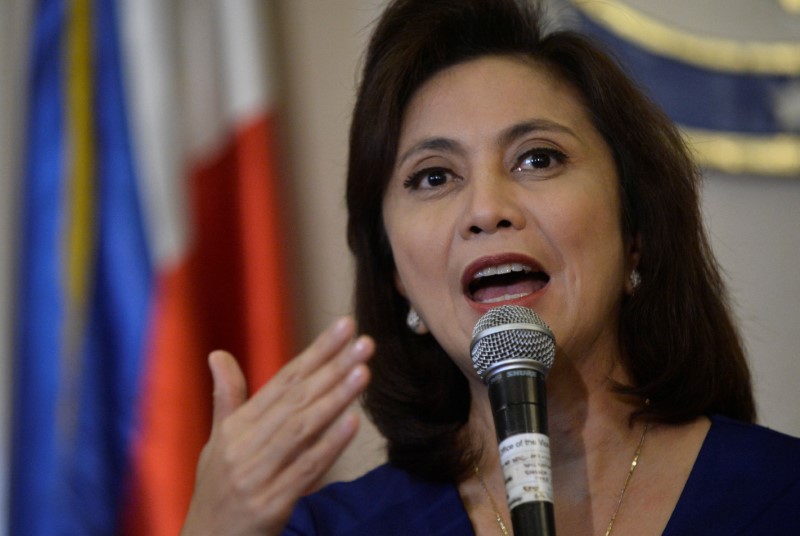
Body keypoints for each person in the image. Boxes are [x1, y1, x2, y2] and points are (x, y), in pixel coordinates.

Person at [181, 0, 800, 534]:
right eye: (433, 176)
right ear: (396, 271)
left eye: (538, 159)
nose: (485, 210)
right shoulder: (325, 531)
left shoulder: (779, 497)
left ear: (635, 230)